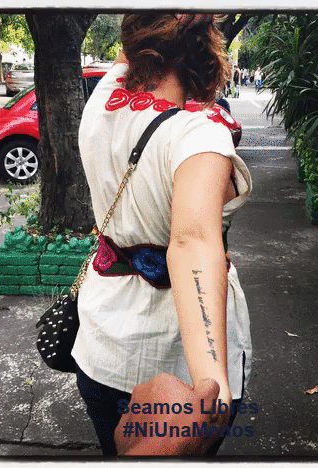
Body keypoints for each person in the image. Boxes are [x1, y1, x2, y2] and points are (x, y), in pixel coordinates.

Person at [73, 13, 252, 456]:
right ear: (207, 56)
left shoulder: (100, 103)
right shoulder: (199, 135)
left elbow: (129, 49)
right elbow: (192, 244)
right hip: (174, 367)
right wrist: (211, 385)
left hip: (101, 349)